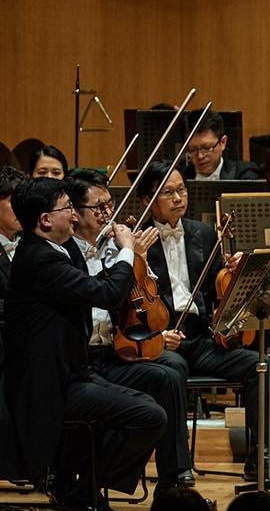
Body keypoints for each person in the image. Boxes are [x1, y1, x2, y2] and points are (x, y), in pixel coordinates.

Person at [0, 177, 166, 511]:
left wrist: (110, 247)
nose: (75, 215)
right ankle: (84, 494)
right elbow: (105, 294)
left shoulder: (62, 247)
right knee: (149, 415)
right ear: (46, 220)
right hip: (49, 386)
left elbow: (99, 285)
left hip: (73, 372)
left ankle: (74, 487)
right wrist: (126, 251)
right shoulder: (38, 259)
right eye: (67, 209)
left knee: (147, 405)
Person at [132, 161, 270, 485]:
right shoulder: (137, 243)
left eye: (182, 190)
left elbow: (217, 289)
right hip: (161, 338)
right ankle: (178, 468)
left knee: (257, 365)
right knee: (172, 370)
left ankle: (263, 459)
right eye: (168, 192)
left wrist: (236, 270)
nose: (179, 198)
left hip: (203, 337)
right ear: (147, 199)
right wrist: (158, 335)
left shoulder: (202, 233)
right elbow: (130, 302)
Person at [66, 168, 192, 489]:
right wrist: (127, 254)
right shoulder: (67, 254)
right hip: (82, 359)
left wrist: (137, 258)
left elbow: (149, 312)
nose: (109, 214)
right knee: (163, 380)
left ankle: (174, 477)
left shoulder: (115, 246)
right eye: (99, 208)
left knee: (171, 370)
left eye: (110, 204)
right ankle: (95, 482)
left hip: (113, 353)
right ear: (74, 214)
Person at [182, 113, 260, 181]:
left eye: (206, 148)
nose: (200, 156)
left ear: (223, 142)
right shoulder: (181, 176)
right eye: (192, 149)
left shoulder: (244, 172)